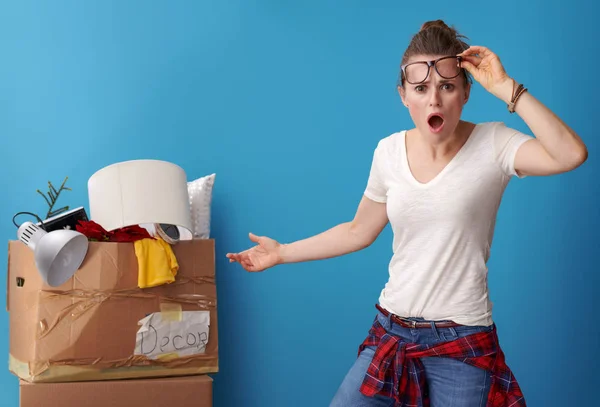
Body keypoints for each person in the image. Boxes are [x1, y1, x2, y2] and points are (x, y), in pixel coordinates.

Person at [226, 20, 588, 407]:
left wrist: (506, 88)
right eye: (421, 88)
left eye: (447, 87)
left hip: (460, 342)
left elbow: (570, 154)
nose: (434, 100)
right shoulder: (388, 152)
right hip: (392, 333)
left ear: (466, 92)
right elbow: (357, 231)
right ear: (404, 96)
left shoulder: (494, 143)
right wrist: (282, 252)